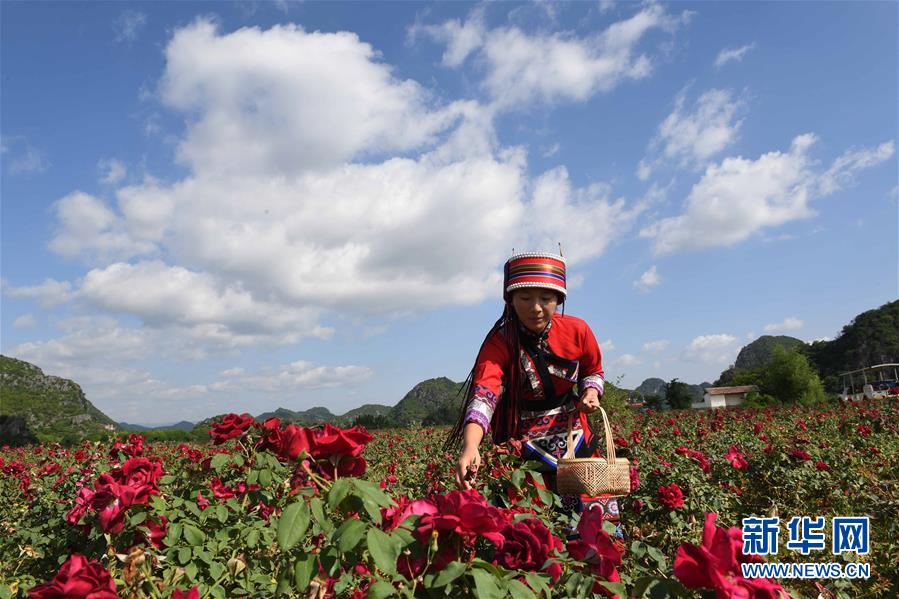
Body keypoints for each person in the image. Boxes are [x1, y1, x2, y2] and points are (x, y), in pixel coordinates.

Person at [446, 251, 623, 536]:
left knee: (595, 530)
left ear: (559, 299)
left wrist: (590, 392)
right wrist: (471, 446)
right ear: (510, 300)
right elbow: (484, 395)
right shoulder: (499, 342)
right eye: (525, 298)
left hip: (575, 437)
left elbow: (593, 370)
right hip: (522, 444)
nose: (536, 308)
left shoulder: (578, 330)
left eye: (546, 298)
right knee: (531, 534)